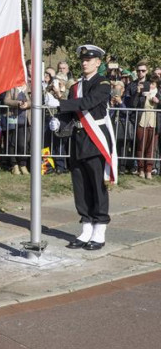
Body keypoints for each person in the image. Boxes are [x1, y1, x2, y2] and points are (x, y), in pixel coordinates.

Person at [47, 44, 117, 250]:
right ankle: (86, 227)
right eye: (83, 60)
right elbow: (72, 112)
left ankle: (100, 229)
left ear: (98, 62)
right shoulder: (75, 86)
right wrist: (60, 122)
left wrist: (59, 104)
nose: (84, 62)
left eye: (89, 59)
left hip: (95, 140)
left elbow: (88, 102)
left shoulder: (103, 83)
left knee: (97, 185)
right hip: (78, 140)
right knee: (80, 185)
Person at [135, 74, 161, 179]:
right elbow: (133, 104)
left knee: (151, 148)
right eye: (150, 83)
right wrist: (138, 93)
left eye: (153, 84)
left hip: (154, 123)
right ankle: (141, 169)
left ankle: (149, 170)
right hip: (142, 122)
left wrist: (158, 102)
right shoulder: (143, 93)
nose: (151, 86)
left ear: (157, 85)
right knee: (141, 146)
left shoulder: (159, 94)